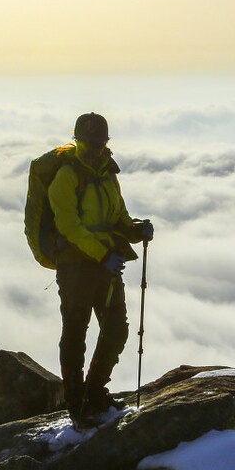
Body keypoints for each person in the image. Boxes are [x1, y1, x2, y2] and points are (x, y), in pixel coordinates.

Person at [49, 112, 153, 425]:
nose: (95, 147)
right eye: (89, 142)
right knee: (75, 331)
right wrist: (102, 254)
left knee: (116, 329)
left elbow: (118, 216)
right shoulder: (66, 176)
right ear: (77, 140)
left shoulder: (108, 174)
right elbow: (69, 227)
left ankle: (93, 393)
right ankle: (76, 403)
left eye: (100, 142)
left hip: (107, 264)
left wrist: (136, 229)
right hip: (76, 267)